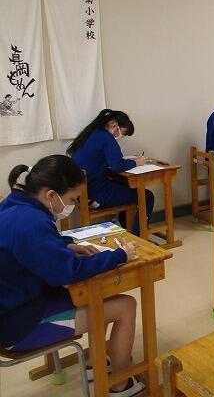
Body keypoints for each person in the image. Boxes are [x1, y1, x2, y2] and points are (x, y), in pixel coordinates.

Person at [0, 155, 144, 397]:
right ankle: (121, 386)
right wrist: (119, 255)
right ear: (51, 195)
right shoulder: (31, 222)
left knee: (98, 295)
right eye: (72, 199)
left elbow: (33, 246)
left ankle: (93, 364)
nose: (73, 205)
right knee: (125, 306)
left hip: (17, 304)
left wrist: (64, 245)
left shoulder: (15, 205)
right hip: (18, 325)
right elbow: (68, 272)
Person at [67, 109, 151, 236]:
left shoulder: (90, 133)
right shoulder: (106, 138)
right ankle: (138, 236)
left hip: (81, 193)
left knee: (126, 188)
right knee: (146, 195)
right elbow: (117, 166)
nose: (120, 137)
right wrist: (136, 162)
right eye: (122, 133)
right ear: (113, 124)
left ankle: (129, 232)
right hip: (96, 195)